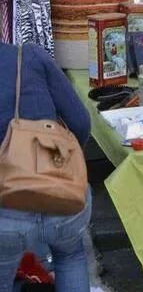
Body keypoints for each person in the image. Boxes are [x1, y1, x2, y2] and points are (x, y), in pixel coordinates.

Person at [0, 42, 92, 292]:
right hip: (63, 197)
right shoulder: (28, 56)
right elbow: (81, 123)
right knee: (71, 256)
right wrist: (61, 166)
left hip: (5, 211)